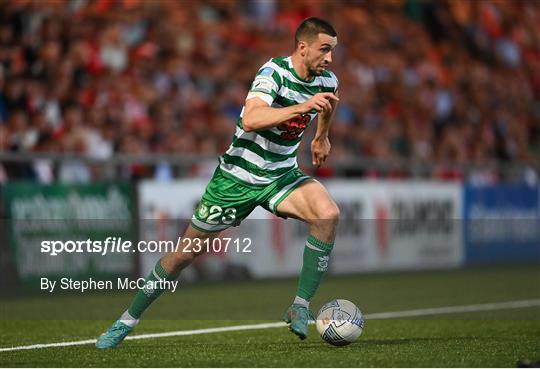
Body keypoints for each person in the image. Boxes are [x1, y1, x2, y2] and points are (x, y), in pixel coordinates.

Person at [96, 17, 340, 348]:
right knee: (183, 255)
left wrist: (321, 138)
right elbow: (252, 119)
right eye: (324, 50)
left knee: (327, 214)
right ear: (302, 47)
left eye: (333, 51)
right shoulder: (273, 73)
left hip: (280, 175)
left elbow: (326, 105)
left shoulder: (328, 80)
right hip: (234, 180)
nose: (329, 59)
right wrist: (302, 106)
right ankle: (126, 321)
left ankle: (299, 307)